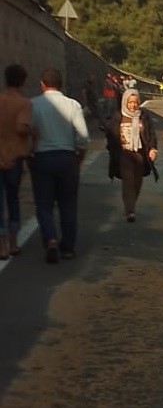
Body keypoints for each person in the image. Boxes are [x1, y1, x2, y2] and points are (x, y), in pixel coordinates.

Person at [29, 68, 89, 263]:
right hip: (67, 157)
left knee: (44, 204)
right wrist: (79, 156)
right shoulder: (73, 105)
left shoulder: (33, 105)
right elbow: (83, 137)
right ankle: (68, 247)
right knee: (68, 204)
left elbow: (28, 132)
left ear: (42, 84)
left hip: (42, 158)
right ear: (61, 84)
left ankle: (51, 239)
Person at [104, 88, 158, 223]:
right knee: (128, 181)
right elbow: (111, 135)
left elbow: (151, 134)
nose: (133, 105)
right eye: (130, 102)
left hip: (140, 154)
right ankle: (130, 211)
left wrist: (153, 149)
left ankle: (131, 204)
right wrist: (113, 150)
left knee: (137, 181)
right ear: (125, 102)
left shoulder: (143, 116)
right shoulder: (118, 116)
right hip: (124, 154)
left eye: (136, 102)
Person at [0, 64, 32, 259]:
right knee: (13, 200)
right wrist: (32, 132)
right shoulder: (23, 103)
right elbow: (21, 127)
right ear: (22, 82)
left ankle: (1, 246)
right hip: (15, 158)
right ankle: (13, 243)